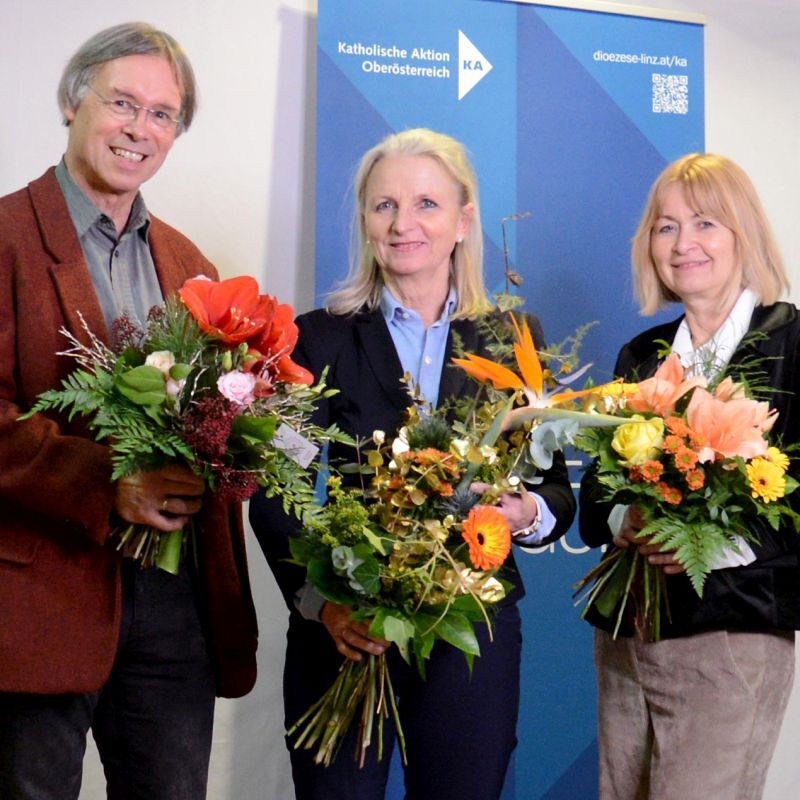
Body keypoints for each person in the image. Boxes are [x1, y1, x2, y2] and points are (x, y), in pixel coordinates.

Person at [249, 128, 576, 800]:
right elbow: (275, 491)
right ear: (366, 222)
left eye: (426, 204)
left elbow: (553, 490)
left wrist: (526, 513)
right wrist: (322, 605)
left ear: (463, 220)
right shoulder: (316, 339)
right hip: (347, 632)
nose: (403, 225)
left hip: (470, 632)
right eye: (383, 206)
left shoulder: (515, 341)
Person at [0, 23, 258, 800]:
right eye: (122, 102)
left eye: (162, 114)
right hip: (40, 602)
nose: (139, 129)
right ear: (75, 100)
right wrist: (104, 480)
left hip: (175, 609)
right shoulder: (6, 238)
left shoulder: (192, 265)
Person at [579, 153, 800, 800]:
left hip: (732, 635)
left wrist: (707, 544)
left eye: (705, 223)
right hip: (627, 637)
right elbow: (596, 498)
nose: (683, 244)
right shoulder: (640, 355)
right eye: (665, 227)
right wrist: (629, 518)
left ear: (743, 234)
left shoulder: (791, 345)